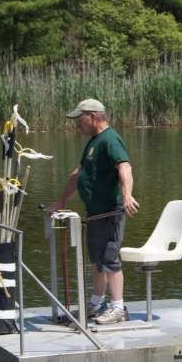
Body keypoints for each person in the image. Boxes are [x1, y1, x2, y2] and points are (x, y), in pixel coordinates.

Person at [49, 98, 140, 324]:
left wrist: (127, 195)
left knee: (109, 258)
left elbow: (125, 167)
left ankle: (118, 308)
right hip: (95, 213)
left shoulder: (110, 140)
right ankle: (96, 303)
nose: (77, 124)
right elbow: (78, 174)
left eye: (80, 119)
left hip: (110, 212)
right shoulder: (93, 142)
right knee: (97, 260)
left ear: (93, 116)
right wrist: (61, 202)